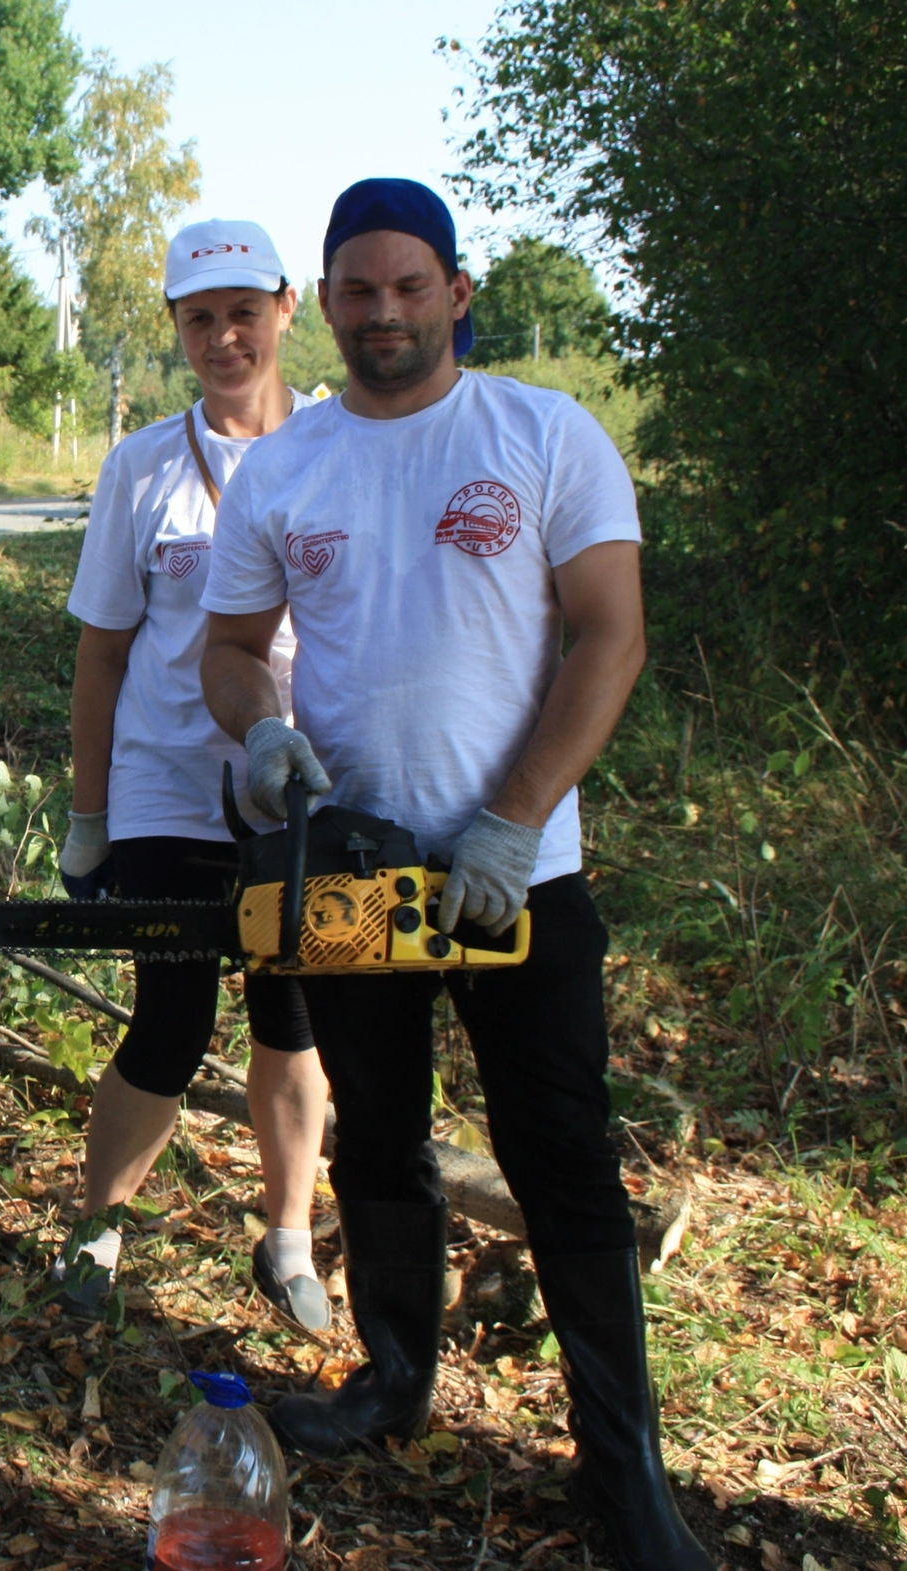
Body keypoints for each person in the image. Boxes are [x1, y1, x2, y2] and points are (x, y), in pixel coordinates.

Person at [199, 178, 708, 1571]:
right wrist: (264, 732)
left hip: (519, 875)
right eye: (357, 290)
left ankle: (623, 1469)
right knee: (379, 1136)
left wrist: (516, 811)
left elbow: (610, 636)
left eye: (409, 286)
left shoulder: (545, 434)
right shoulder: (288, 464)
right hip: (360, 864)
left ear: (457, 291)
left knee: (565, 1161)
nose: (383, 314)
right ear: (331, 298)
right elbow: (233, 644)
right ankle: (394, 1381)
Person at [51, 219, 333, 1329]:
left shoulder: (337, 445)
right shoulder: (143, 468)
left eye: (243, 313)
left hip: (303, 788)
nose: (225, 337)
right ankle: (95, 1223)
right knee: (169, 1018)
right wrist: (88, 814)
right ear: (175, 327)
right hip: (167, 785)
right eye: (200, 318)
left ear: (284, 310)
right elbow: (103, 651)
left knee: (292, 1019)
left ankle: (289, 1238)